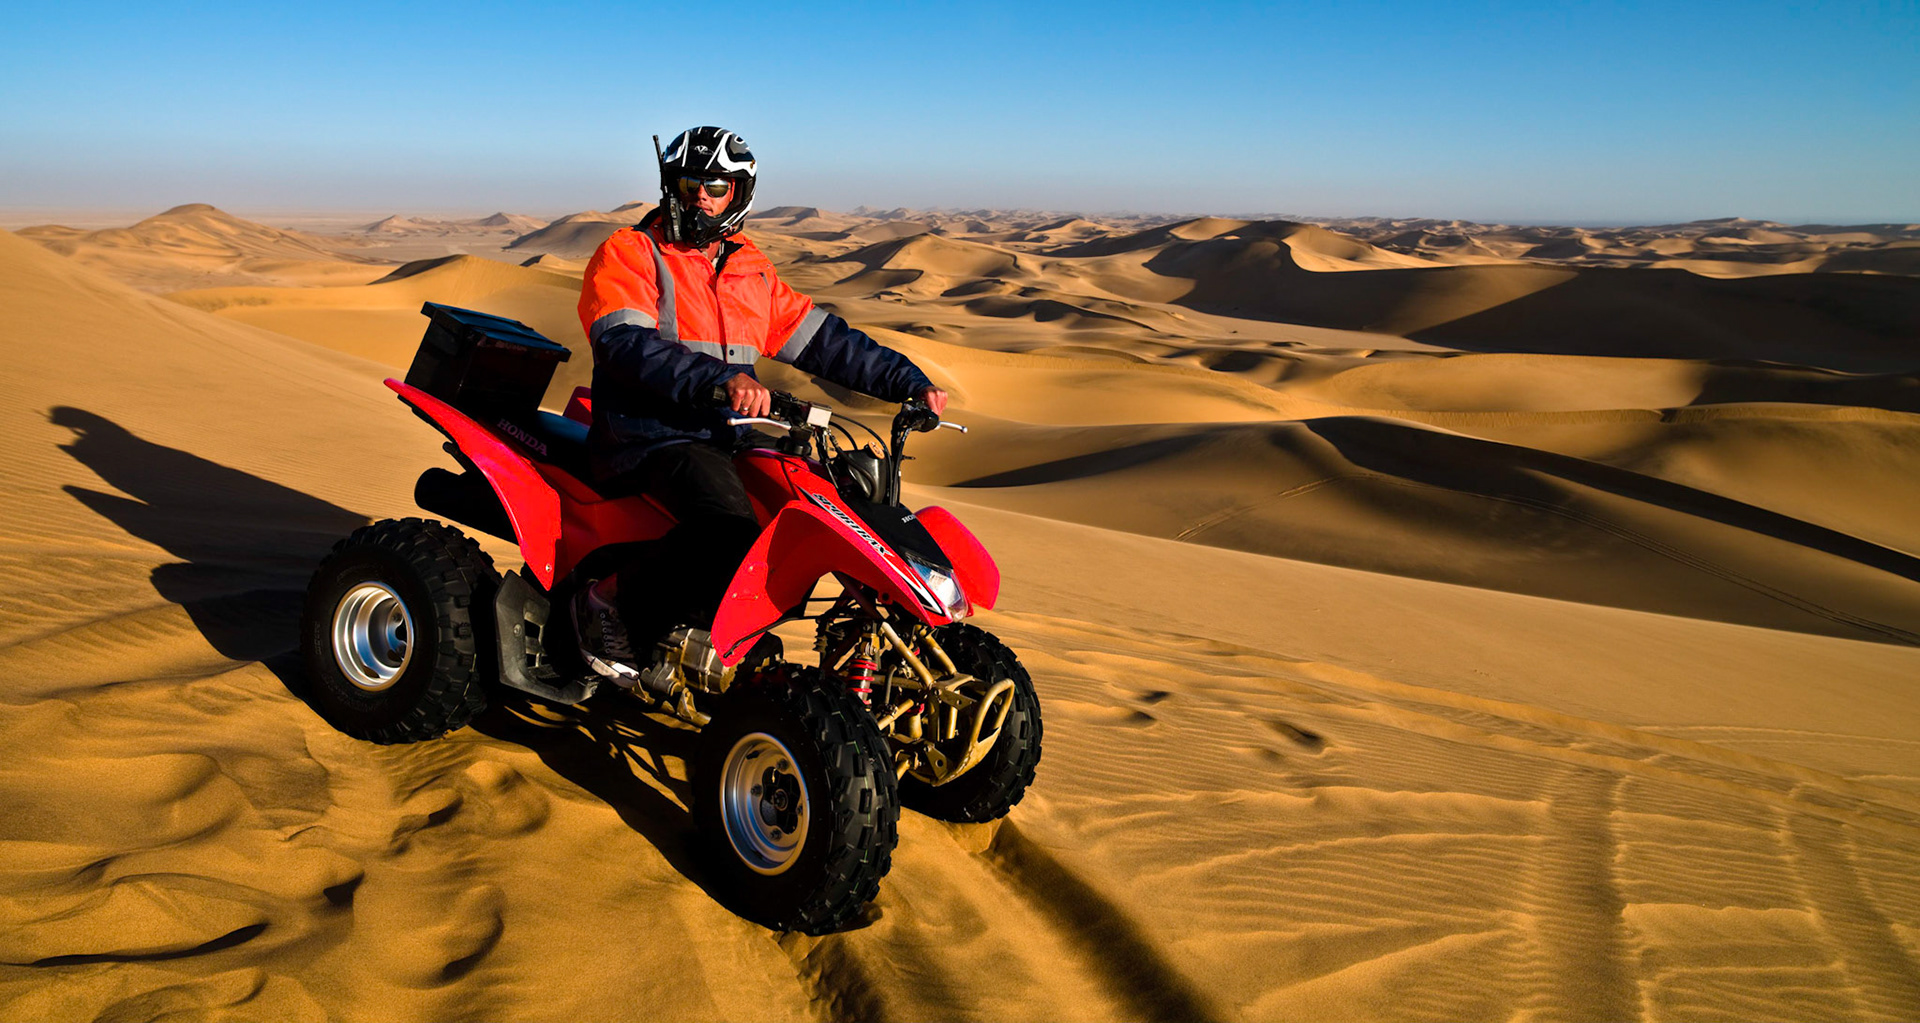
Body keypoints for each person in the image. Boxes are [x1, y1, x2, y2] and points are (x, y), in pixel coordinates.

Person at [572, 125, 947, 684]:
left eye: (716, 186)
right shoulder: (631, 252)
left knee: (814, 502)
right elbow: (625, 347)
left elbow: (822, 341)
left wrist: (906, 381)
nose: (700, 195)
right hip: (650, 433)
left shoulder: (749, 268)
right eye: (690, 182)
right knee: (729, 532)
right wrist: (720, 381)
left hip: (729, 432)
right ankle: (606, 605)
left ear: (739, 192)